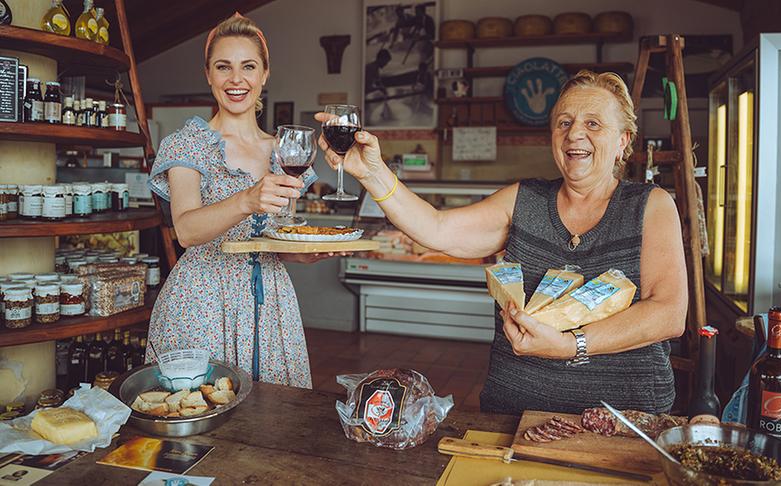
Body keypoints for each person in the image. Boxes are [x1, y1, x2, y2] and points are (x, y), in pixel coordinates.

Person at [316, 70, 688, 414]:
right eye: (564, 123)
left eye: (593, 124)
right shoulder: (524, 199)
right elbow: (438, 229)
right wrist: (372, 173)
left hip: (626, 420)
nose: (575, 134)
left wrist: (570, 345)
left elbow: (669, 313)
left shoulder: (650, 205)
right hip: (514, 413)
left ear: (623, 141)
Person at [146, 14, 332, 386]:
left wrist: (300, 252)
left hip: (272, 303)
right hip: (201, 300)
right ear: (208, 75)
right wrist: (247, 199)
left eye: (248, 67)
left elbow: (276, 236)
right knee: (199, 414)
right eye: (223, 67)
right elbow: (185, 230)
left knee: (274, 422)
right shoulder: (189, 144)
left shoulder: (284, 151)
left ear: (264, 74)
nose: (236, 79)